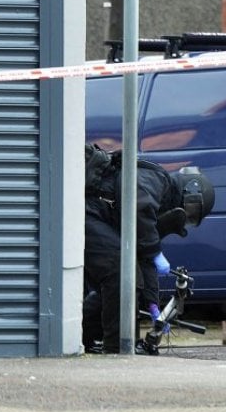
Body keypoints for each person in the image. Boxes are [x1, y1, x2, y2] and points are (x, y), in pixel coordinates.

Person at [82, 144, 213, 354]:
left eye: (191, 219)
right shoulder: (159, 180)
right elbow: (139, 204)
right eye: (190, 212)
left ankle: (84, 336)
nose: (186, 217)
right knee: (120, 270)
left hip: (93, 214)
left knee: (128, 277)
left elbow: (145, 258)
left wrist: (153, 304)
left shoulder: (155, 214)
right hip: (87, 209)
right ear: (187, 193)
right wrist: (155, 251)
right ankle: (116, 348)